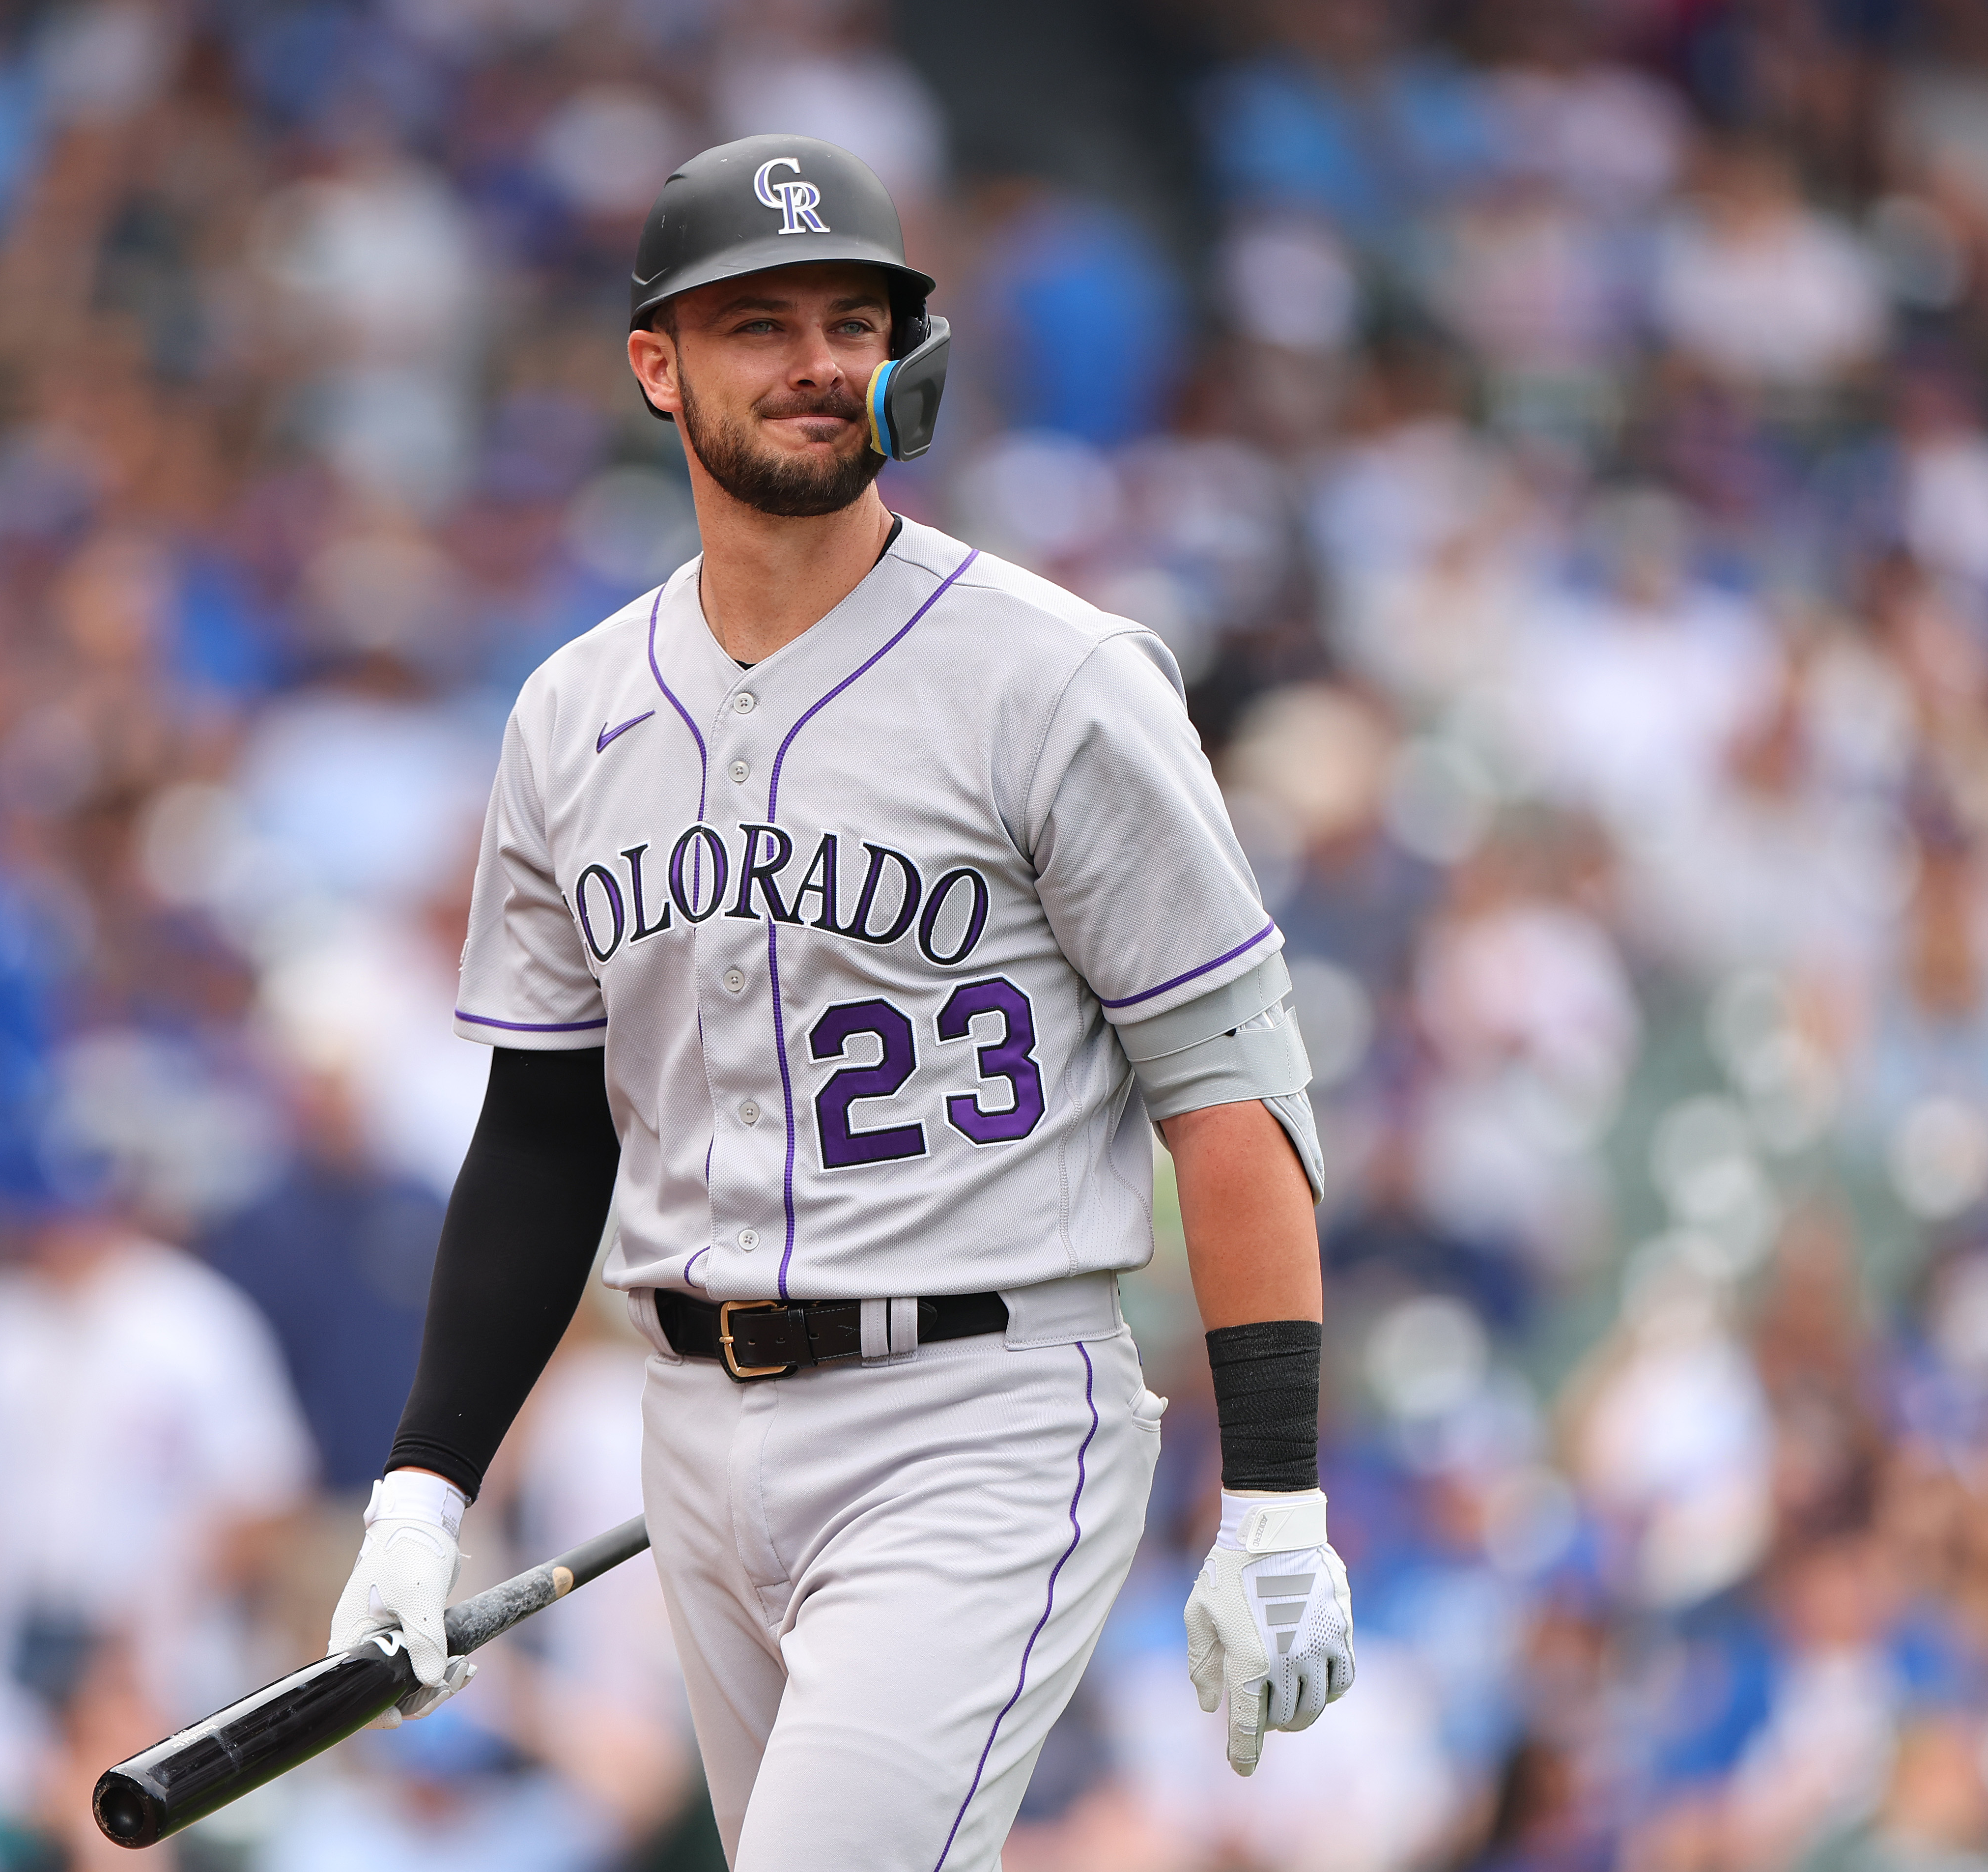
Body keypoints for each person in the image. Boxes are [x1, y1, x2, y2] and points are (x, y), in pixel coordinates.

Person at [329, 133, 1355, 1871]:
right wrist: (424, 1488)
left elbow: (1228, 1087)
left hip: (981, 1407)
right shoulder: (573, 715)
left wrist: (1274, 1499)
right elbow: (544, 1125)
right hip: (693, 1430)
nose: (817, 360)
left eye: (852, 318)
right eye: (757, 323)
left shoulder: (1055, 675)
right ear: (655, 365)